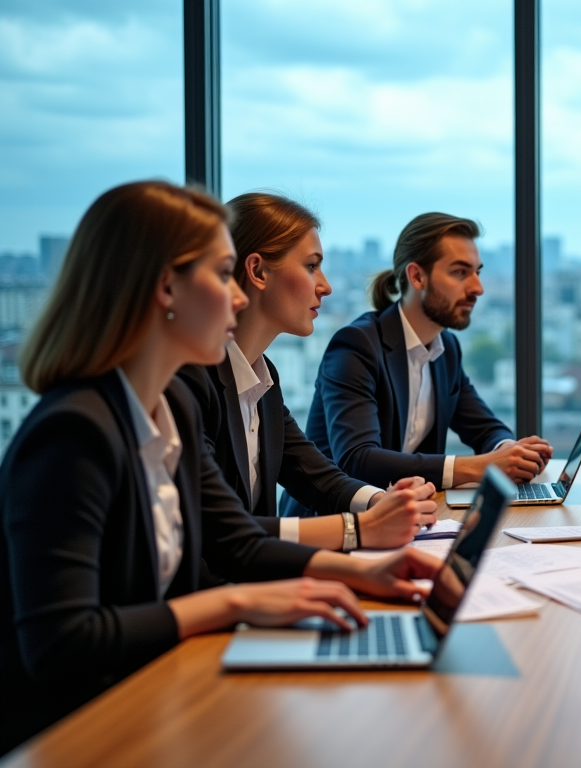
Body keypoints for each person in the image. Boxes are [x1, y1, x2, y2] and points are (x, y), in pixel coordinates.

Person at [0, 181, 443, 754]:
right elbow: (62, 648)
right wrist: (239, 602)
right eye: (220, 274)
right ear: (166, 288)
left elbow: (236, 541)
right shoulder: (73, 432)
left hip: (160, 691)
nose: (236, 298)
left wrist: (365, 574)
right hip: (84, 730)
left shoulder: (171, 406)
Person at [177, 193, 438, 552]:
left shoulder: (263, 377)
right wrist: (358, 529)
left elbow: (317, 477)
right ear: (257, 271)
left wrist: (380, 504)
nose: (326, 286)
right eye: (312, 266)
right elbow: (217, 528)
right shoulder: (191, 382)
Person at [289, 212, 552, 515]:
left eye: (477, 272)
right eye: (459, 272)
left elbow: (485, 428)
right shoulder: (357, 346)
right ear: (416, 276)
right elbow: (358, 459)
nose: (477, 287)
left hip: (406, 518)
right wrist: (479, 466)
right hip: (331, 526)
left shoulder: (446, 348)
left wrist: (508, 451)